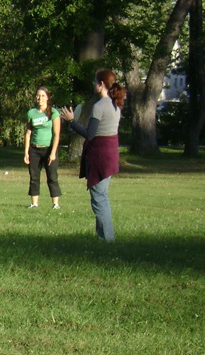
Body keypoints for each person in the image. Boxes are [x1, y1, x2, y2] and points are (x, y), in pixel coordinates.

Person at [61, 70, 125, 242]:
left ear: (101, 84)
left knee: (99, 199)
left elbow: (90, 134)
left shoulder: (100, 106)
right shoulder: (115, 105)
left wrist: (71, 121)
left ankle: (107, 239)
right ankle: (101, 236)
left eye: (95, 82)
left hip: (99, 156)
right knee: (102, 195)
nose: (93, 85)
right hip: (110, 155)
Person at [23, 86, 61, 209]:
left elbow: (56, 134)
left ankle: (55, 204)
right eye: (38, 95)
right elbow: (28, 133)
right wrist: (26, 152)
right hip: (34, 149)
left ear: (48, 97)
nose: (40, 98)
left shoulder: (54, 113)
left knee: (52, 177)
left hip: (49, 149)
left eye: (43, 95)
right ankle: (34, 203)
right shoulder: (31, 113)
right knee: (34, 177)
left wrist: (53, 153)